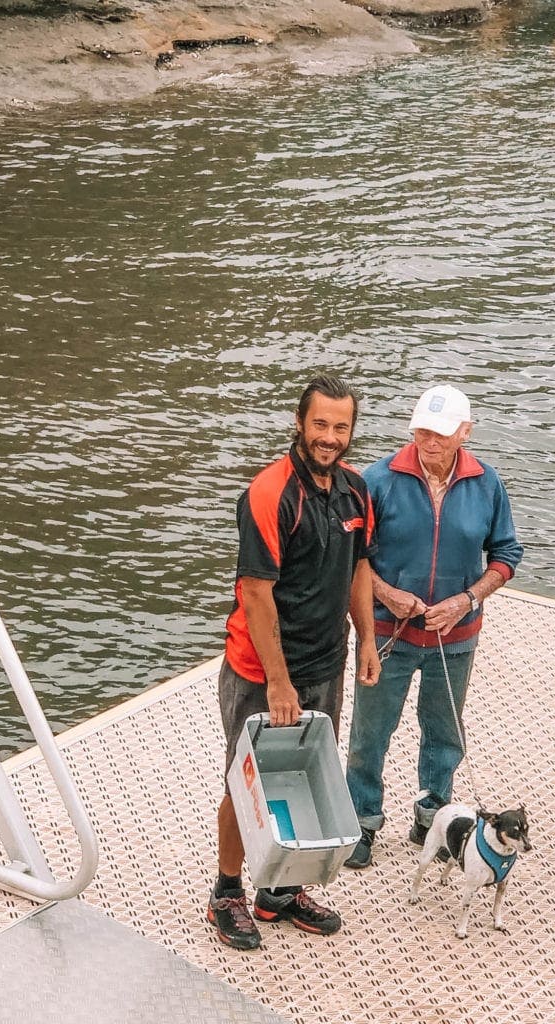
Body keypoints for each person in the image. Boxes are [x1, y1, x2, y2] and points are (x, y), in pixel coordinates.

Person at [208, 374, 380, 949]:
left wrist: (367, 640)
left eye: (340, 426)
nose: (329, 437)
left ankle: (279, 891)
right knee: (244, 780)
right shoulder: (269, 493)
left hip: (325, 665)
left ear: (351, 431)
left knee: (307, 776)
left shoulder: (357, 493)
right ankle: (227, 891)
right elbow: (256, 595)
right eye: (320, 425)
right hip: (261, 672)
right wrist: (278, 684)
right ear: (300, 424)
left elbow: (359, 569)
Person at [344, 384, 523, 868]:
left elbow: (506, 554)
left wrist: (468, 600)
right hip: (386, 636)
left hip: (457, 638)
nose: (431, 440)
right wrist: (386, 595)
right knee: (369, 734)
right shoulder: (377, 480)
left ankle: (433, 816)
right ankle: (361, 822)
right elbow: (352, 557)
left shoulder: (487, 483)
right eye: (423, 429)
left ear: (466, 431)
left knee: (444, 733)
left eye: (443, 432)